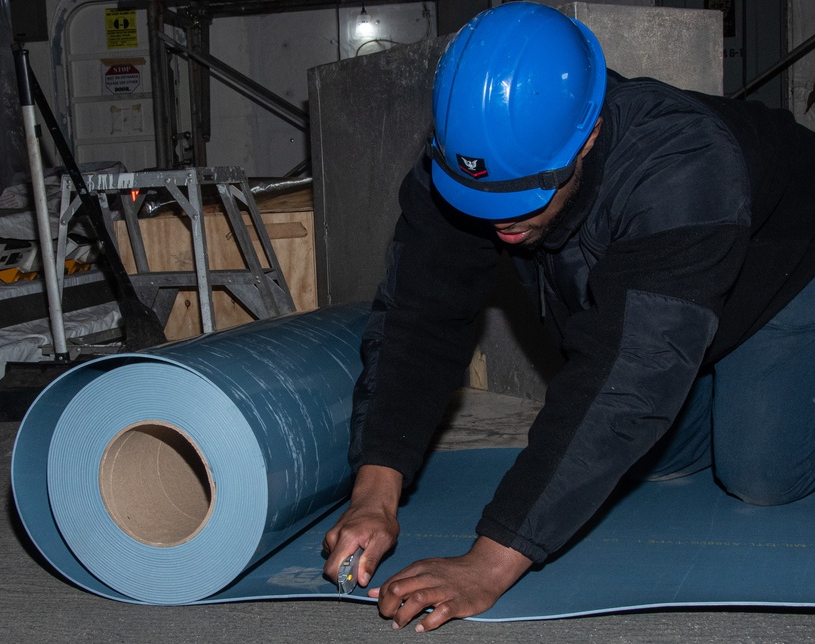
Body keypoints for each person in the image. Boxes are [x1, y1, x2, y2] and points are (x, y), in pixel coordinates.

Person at [322, 1, 815, 632]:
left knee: (759, 476)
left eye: (525, 196)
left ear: (588, 135)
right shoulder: (463, 157)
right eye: (481, 199)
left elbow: (628, 374)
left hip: (789, 271)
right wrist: (373, 494)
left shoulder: (684, 168)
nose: (501, 224)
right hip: (687, 284)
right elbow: (419, 317)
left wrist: (490, 562)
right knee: (640, 461)